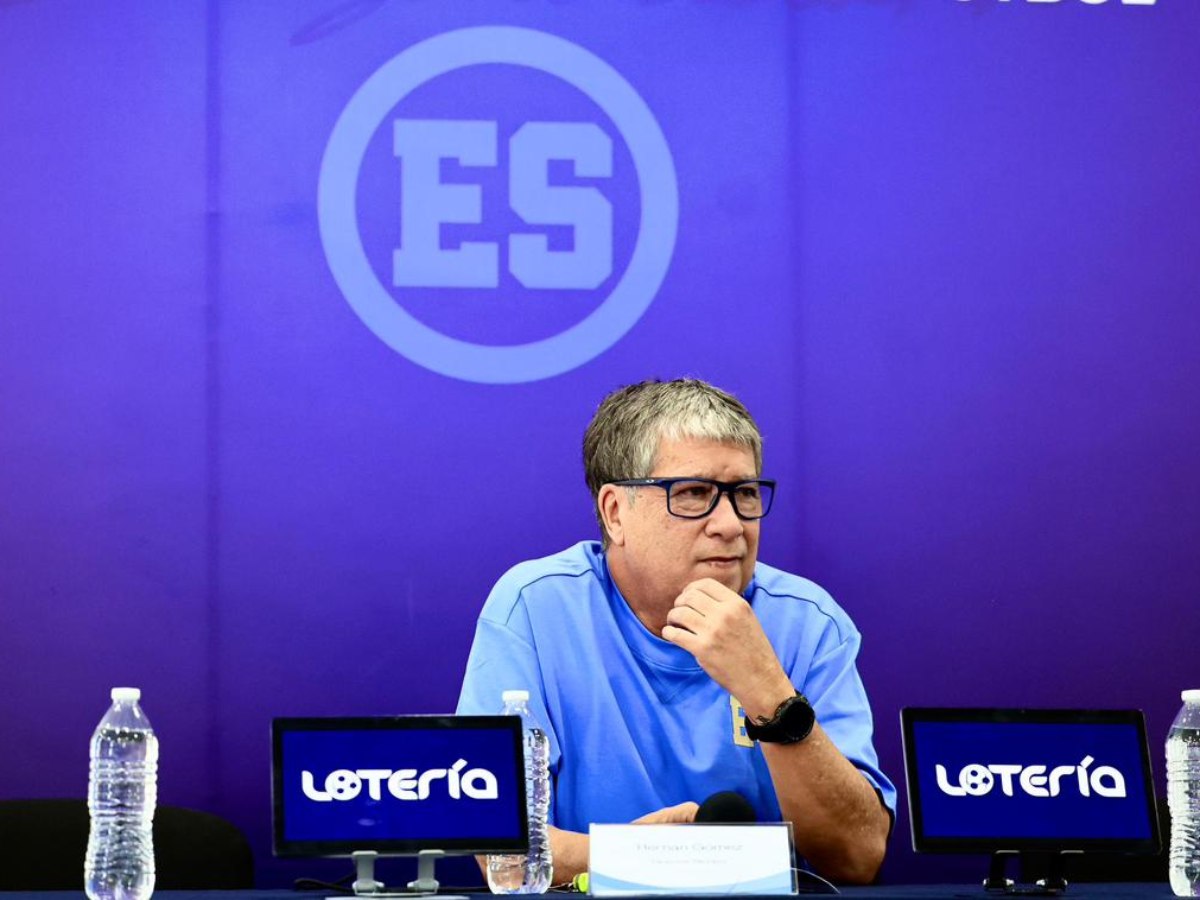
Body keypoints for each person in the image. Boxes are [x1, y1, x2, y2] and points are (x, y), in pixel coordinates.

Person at [457, 378, 895, 884]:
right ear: (616, 513)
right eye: (694, 493)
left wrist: (769, 694)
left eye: (745, 493)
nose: (731, 525)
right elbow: (504, 855)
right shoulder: (535, 608)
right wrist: (646, 858)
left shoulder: (808, 622)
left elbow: (858, 857)